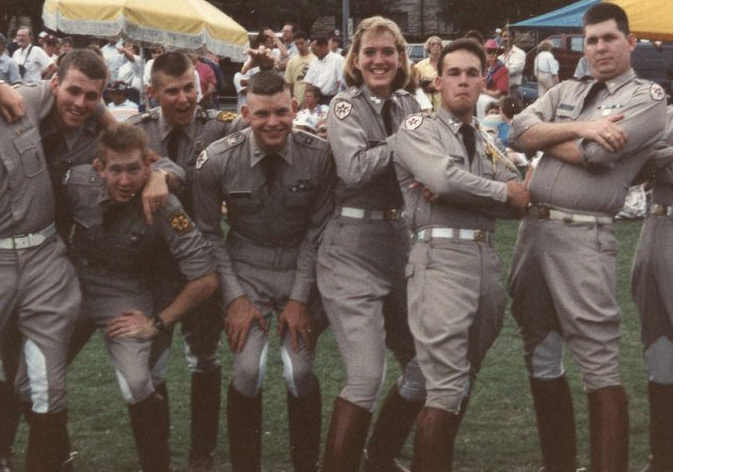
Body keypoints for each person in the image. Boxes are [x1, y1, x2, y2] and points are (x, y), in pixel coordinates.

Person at [507, 3, 668, 471]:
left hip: (583, 235)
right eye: (591, 40)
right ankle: (558, 464)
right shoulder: (568, 89)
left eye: (609, 39)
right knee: (538, 348)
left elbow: (597, 155)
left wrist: (550, 137)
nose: (599, 48)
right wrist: (581, 125)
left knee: (598, 362)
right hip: (532, 233)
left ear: (630, 41)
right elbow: (518, 130)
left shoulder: (647, 95)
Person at [392, 38, 529, 471]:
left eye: (473, 73)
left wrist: (468, 191)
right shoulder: (418, 129)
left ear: (484, 79)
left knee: (464, 376)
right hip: (440, 258)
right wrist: (495, 192)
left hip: (486, 259)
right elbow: (445, 178)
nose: (464, 81)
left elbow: (521, 195)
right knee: (445, 385)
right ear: (438, 82)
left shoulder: (487, 141)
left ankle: (386, 455)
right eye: (454, 73)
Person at [193, 71, 335, 472]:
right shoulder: (218, 159)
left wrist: (299, 298)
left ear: (294, 108)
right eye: (261, 114)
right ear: (244, 113)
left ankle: (306, 464)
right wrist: (234, 298)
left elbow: (317, 231)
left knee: (299, 370)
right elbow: (208, 233)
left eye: (280, 112)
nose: (273, 123)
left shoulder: (319, 155)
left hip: (298, 267)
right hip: (246, 266)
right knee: (247, 369)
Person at [63, 123, 219, 472]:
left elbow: (205, 277)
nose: (124, 180)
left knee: (137, 381)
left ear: (148, 166)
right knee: (31, 376)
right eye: (115, 170)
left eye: (134, 169)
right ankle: (60, 460)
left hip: (123, 291)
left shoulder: (164, 204)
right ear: (98, 168)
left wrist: (158, 323)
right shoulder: (75, 183)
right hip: (72, 286)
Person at [128, 50, 246, 471]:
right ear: (152, 92)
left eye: (190, 89)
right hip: (153, 265)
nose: (183, 99)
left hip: (205, 264)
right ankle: (157, 460)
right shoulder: (135, 131)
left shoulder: (220, 125)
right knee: (150, 362)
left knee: (204, 357)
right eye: (173, 91)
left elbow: (275, 124)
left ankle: (202, 455)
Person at [317, 16, 426, 472]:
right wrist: (408, 140)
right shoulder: (345, 105)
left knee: (423, 371)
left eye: (389, 52)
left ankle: (379, 457)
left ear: (401, 59)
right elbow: (356, 170)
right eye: (370, 53)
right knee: (365, 377)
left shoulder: (408, 103)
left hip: (398, 245)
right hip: (351, 248)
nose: (379, 60)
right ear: (356, 61)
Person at [0, 53, 83, 472]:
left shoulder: (23, 99)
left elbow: (94, 109)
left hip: (44, 261)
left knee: (46, 382)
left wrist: (154, 170)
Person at [631, 105, 673, 472]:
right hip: (658, 228)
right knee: (659, 346)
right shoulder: (667, 115)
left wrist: (662, 160)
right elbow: (633, 166)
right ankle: (662, 459)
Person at [303, 35, 345, 104]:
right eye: (312, 49)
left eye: (314, 49)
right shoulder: (314, 62)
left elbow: (341, 83)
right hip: (315, 100)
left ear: (324, 47)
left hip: (332, 99)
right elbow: (308, 83)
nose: (313, 52)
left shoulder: (338, 60)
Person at [285, 32, 315, 106]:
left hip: (313, 103)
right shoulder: (291, 62)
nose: (299, 46)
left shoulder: (315, 59)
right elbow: (289, 84)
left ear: (307, 42)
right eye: (297, 44)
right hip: (297, 103)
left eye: (302, 43)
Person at [414, 36, 443, 111]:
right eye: (433, 44)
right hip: (426, 105)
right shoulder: (419, 66)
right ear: (428, 47)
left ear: (441, 47)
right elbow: (415, 88)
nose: (436, 46)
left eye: (438, 44)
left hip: (442, 104)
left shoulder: (446, 65)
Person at [500, 28, 526, 100]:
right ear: (501, 38)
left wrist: (499, 72)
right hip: (499, 91)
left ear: (513, 38)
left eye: (509, 36)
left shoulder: (520, 53)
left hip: (513, 90)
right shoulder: (498, 54)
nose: (506, 39)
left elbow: (516, 69)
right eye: (504, 36)